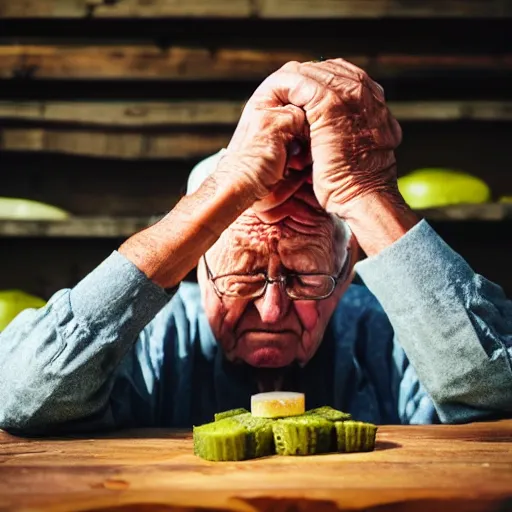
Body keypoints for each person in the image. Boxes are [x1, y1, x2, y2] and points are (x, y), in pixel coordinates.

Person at [0, 59, 511, 435]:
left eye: (306, 277)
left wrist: (363, 191)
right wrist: (224, 192)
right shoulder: (152, 340)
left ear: (348, 269)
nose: (271, 308)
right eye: (242, 276)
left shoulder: (392, 334)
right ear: (196, 267)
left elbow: (498, 396)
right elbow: (23, 395)